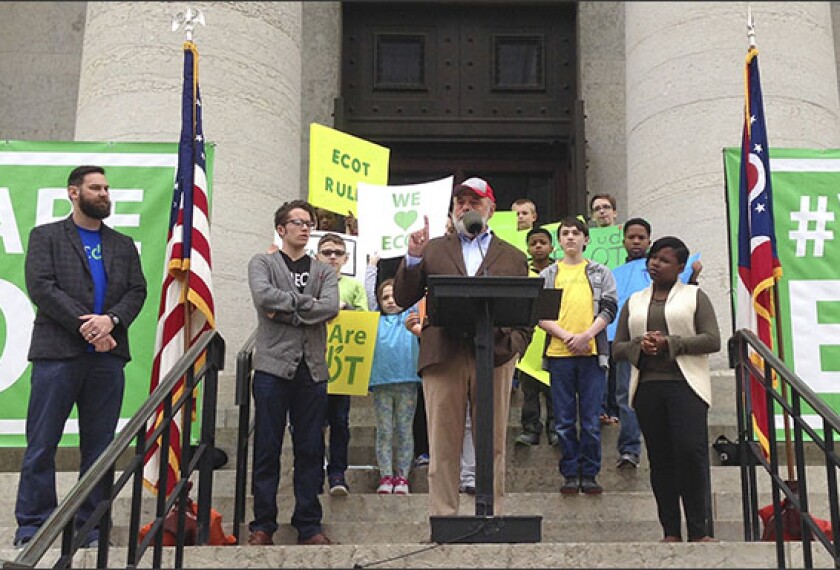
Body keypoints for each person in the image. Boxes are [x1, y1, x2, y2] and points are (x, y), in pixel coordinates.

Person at [14, 165, 148, 549]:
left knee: (100, 447)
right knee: (42, 443)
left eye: (107, 188)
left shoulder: (122, 244)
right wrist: (87, 326)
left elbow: (137, 291)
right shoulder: (47, 236)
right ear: (74, 193)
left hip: (107, 360)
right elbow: (41, 286)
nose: (105, 193)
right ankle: (34, 525)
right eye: (96, 188)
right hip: (57, 356)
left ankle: (90, 527)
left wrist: (112, 320)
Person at [393, 176, 531, 517]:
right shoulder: (434, 248)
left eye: (474, 201)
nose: (465, 207)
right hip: (444, 355)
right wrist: (412, 257)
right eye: (460, 202)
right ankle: (443, 517)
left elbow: (526, 309)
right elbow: (401, 297)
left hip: (495, 355)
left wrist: (516, 344)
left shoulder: (512, 256)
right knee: (442, 444)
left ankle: (492, 515)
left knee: (493, 441)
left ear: (491, 209)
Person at [612, 236, 720, 543]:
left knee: (690, 453)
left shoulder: (695, 297)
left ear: (681, 267)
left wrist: (671, 343)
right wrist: (640, 345)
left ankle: (699, 530)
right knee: (660, 460)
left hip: (686, 386)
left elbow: (712, 339)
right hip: (648, 388)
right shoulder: (634, 301)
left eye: (664, 260)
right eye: (653, 258)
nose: (655, 264)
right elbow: (617, 346)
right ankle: (670, 531)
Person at [246, 199, 339, 546]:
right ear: (281, 229)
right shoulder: (263, 262)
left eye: (308, 222)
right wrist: (307, 309)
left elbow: (330, 306)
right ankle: (263, 524)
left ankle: (309, 524)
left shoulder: (324, 271)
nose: (305, 227)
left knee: (311, 447)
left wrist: (288, 311)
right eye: (297, 222)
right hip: (272, 369)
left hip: (312, 370)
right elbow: (263, 297)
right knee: (268, 446)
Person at [608, 218, 703, 470]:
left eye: (641, 238)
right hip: (631, 343)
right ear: (624, 241)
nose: (636, 242)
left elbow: (685, 303)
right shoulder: (614, 275)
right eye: (631, 237)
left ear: (649, 241)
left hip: (667, 346)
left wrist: (692, 277)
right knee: (626, 395)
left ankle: (663, 448)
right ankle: (629, 449)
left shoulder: (670, 274)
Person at [538, 216, 617, 495]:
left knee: (592, 420)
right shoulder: (548, 275)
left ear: (586, 239)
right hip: (559, 354)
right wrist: (567, 336)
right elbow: (540, 314)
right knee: (564, 419)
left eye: (576, 233)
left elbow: (609, 308)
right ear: (559, 240)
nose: (570, 237)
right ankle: (570, 473)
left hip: (593, 354)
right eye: (565, 233)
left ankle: (591, 473)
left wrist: (586, 336)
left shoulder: (600, 272)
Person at [316, 233, 366, 496]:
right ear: (317, 256)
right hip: (312, 366)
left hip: (343, 368)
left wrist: (346, 309)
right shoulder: (308, 284)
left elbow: (365, 319)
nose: (332, 257)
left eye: (337, 252)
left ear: (346, 258)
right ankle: (313, 474)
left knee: (340, 422)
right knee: (312, 423)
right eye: (327, 252)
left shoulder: (354, 286)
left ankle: (337, 473)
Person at [367, 279, 421, 495]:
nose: (390, 301)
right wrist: (372, 268)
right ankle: (386, 476)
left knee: (404, 430)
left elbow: (417, 288)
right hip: (381, 383)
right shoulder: (375, 321)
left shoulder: (410, 317)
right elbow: (369, 295)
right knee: (384, 431)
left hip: (408, 382)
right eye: (385, 297)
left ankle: (402, 478)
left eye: (395, 296)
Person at [515, 227, 557, 447]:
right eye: (533, 243)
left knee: (554, 388)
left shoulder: (560, 272)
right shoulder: (522, 273)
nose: (538, 246)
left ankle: (555, 427)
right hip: (529, 341)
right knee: (529, 389)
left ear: (552, 247)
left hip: (555, 338)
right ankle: (530, 428)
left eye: (543, 242)